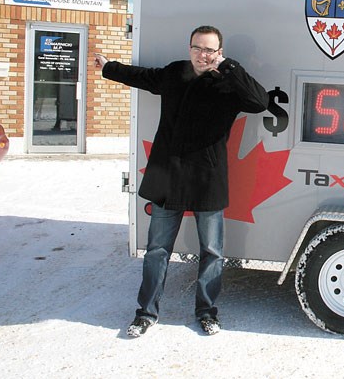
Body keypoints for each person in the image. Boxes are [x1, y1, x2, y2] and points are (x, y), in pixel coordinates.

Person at [94, 25, 269, 337]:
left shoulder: (230, 84)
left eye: (209, 50)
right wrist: (109, 68)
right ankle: (145, 314)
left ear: (219, 52)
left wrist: (228, 68)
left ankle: (207, 313)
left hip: (207, 177)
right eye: (197, 48)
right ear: (190, 48)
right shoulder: (175, 73)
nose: (202, 55)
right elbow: (143, 77)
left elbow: (259, 101)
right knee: (158, 249)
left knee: (212, 252)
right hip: (168, 174)